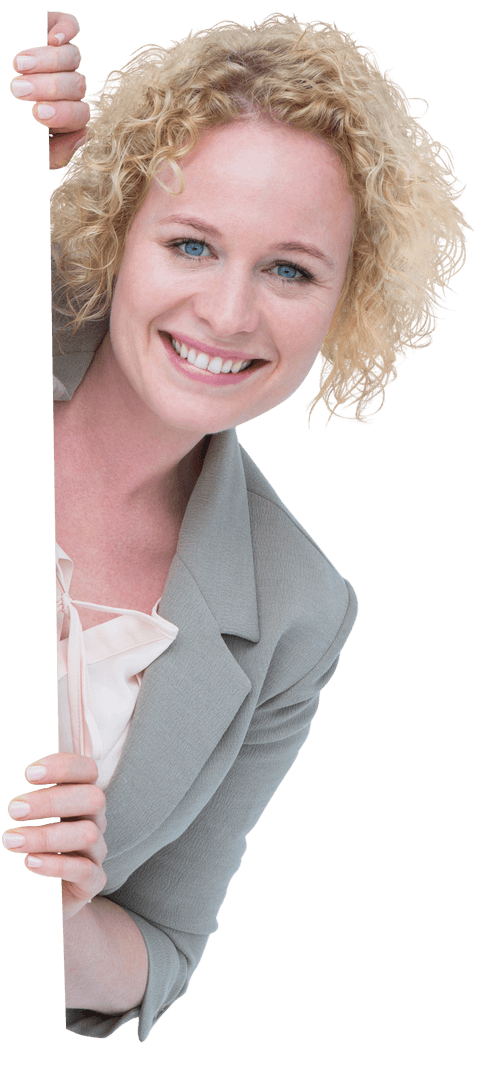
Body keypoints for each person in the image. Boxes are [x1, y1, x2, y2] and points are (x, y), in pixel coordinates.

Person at [5, 11, 470, 1042]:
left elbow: (158, 948)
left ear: (349, 300)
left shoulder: (301, 609)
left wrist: (57, 916)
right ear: (116, 226)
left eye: (289, 269)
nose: (226, 313)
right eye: (189, 243)